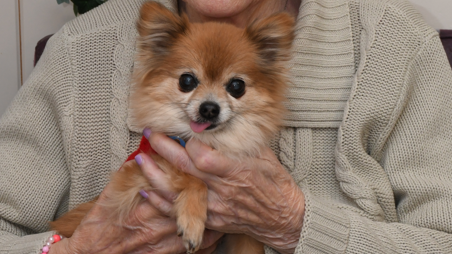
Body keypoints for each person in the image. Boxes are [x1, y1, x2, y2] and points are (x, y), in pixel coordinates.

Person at [1, 0, 452, 253]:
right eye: (188, 81)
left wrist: (294, 224)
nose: (211, 104)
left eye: (235, 86)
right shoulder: (81, 51)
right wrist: (73, 253)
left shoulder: (398, 48)